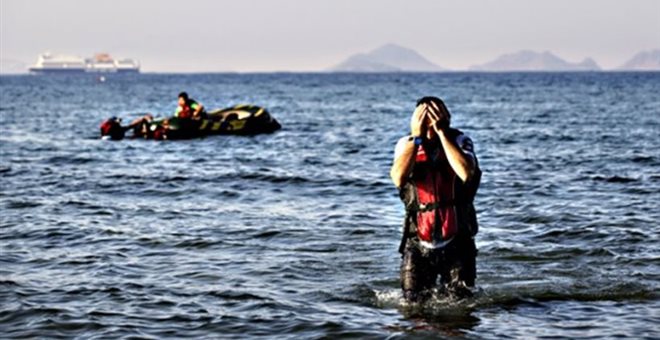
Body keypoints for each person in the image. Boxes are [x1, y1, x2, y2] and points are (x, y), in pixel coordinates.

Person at [390, 96, 481, 302]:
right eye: (425, 115)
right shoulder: (405, 144)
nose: (431, 120)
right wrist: (417, 137)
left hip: (458, 241)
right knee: (412, 308)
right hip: (417, 242)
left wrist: (441, 132)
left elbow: (466, 172)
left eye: (436, 114)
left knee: (460, 308)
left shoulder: (460, 140)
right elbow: (398, 178)